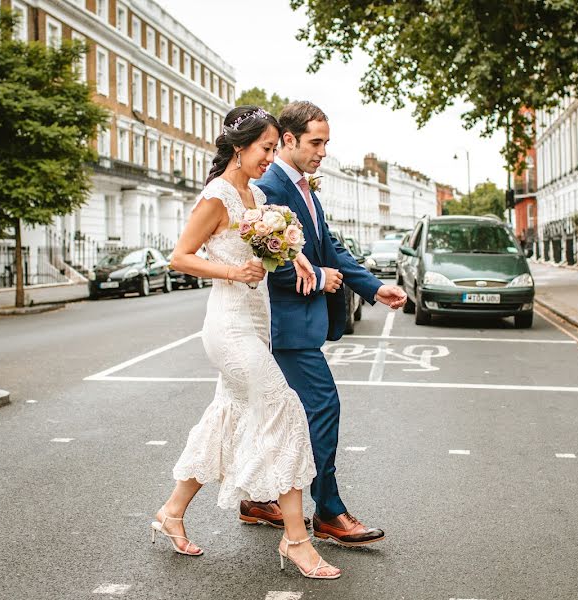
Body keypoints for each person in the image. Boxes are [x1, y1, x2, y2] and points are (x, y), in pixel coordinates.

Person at [151, 105, 341, 580]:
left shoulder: (254, 194)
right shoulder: (217, 196)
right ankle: (296, 540)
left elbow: (273, 243)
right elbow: (180, 257)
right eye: (265, 148)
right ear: (240, 147)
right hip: (229, 326)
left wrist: (296, 259)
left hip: (257, 321)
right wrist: (233, 271)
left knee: (227, 418)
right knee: (285, 408)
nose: (270, 157)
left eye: (275, 148)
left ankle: (171, 511)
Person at [245, 101, 407, 546]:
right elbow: (267, 263)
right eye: (316, 142)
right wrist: (317, 277)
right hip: (286, 327)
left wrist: (375, 288)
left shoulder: (303, 187)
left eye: (326, 143)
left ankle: (258, 497)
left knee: (276, 417)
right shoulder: (268, 188)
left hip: (300, 324)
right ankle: (329, 510)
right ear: (290, 140)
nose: (323, 152)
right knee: (322, 408)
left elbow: (329, 248)